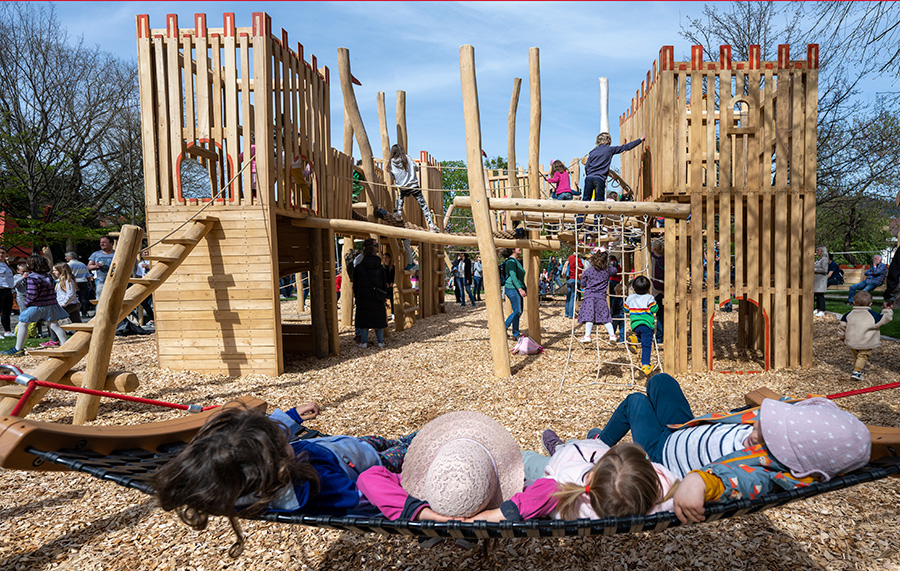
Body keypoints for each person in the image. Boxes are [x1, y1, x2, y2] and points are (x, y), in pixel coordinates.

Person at [587, 373, 871, 524]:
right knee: (661, 381)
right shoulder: (785, 430)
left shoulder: (764, 471)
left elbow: (738, 482)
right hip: (683, 428)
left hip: (661, 453)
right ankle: (606, 437)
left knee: (635, 401)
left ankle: (598, 444)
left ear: (787, 455)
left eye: (764, 434)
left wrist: (699, 481)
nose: (755, 427)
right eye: (763, 422)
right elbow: (798, 409)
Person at [153, 402, 416, 557]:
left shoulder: (239, 470)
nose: (286, 437)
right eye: (282, 442)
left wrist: (291, 416)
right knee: (412, 446)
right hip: (374, 464)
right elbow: (363, 499)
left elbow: (252, 437)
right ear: (275, 463)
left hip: (348, 447)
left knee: (388, 440)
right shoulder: (320, 486)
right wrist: (412, 507)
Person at [357, 412, 676, 524]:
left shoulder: (559, 489)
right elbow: (526, 502)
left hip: (563, 461)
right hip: (567, 463)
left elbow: (369, 478)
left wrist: (430, 515)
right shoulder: (646, 498)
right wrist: (486, 516)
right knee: (552, 451)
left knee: (534, 457)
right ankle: (566, 444)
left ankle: (562, 445)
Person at [2, 255, 69, 356]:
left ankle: (18, 349)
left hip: (37, 305)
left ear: (32, 265)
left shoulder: (31, 277)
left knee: (22, 323)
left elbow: (32, 293)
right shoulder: (48, 276)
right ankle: (66, 345)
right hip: (50, 304)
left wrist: (27, 303)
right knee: (54, 324)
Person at [577, 132, 645, 230]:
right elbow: (625, 147)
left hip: (589, 178)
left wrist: (589, 174)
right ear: (608, 141)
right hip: (599, 179)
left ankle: (579, 223)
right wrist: (640, 140)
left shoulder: (592, 152)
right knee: (599, 202)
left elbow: (587, 166)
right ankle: (597, 225)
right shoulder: (609, 150)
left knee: (585, 201)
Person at [839, 290, 893, 381]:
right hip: (866, 342)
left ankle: (858, 369)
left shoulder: (848, 315)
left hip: (852, 341)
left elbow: (842, 327)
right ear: (870, 304)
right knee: (863, 355)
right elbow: (886, 318)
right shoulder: (873, 315)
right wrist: (887, 310)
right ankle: (857, 372)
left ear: (854, 303)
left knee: (857, 356)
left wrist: (842, 337)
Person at [388, 144, 439, 233]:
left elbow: (392, 177)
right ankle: (431, 225)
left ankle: (399, 213)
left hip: (403, 187)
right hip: (413, 186)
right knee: (424, 206)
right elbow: (416, 168)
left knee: (401, 197)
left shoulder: (391, 163)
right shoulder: (407, 158)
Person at [353, 240, 388, 348]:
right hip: (377, 296)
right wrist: (384, 296)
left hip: (363, 296)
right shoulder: (380, 267)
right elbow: (383, 283)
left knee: (364, 320)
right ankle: (380, 342)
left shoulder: (359, 267)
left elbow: (355, 285)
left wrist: (357, 296)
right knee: (378, 319)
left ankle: (363, 342)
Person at [577, 249, 618, 343]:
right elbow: (615, 270)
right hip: (601, 297)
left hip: (589, 297)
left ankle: (587, 335)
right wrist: (610, 264)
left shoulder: (588, 271)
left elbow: (583, 284)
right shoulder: (607, 271)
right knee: (605, 317)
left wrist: (582, 278)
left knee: (589, 316)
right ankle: (612, 335)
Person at [625, 275, 658, 375]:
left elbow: (625, 309)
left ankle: (635, 339)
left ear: (634, 288)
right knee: (646, 344)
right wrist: (656, 305)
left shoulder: (630, 297)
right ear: (648, 289)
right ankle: (645, 364)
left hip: (635, 325)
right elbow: (654, 309)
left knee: (643, 338)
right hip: (646, 325)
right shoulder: (649, 298)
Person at [43, 262, 81, 347]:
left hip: (70, 304)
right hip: (71, 304)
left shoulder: (68, 281)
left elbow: (70, 294)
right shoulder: (61, 281)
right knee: (77, 322)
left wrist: (63, 304)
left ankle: (54, 340)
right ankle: (82, 338)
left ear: (61, 271)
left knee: (52, 318)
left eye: (55, 270)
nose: (53, 272)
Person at [502, 248, 526, 340]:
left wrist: (524, 288)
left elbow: (520, 278)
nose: (520, 248)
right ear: (513, 250)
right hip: (512, 288)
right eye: (517, 247)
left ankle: (515, 334)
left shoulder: (516, 261)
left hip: (516, 288)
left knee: (519, 311)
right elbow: (513, 276)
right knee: (517, 311)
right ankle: (503, 329)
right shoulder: (511, 262)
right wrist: (520, 289)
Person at [87, 235, 116, 300]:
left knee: (114, 299)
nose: (102, 244)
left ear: (111, 243)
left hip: (114, 282)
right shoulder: (96, 254)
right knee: (100, 299)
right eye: (101, 242)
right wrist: (95, 266)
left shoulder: (117, 254)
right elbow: (89, 267)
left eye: (104, 242)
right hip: (100, 282)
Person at [65, 252, 93, 318]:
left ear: (70, 257)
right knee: (83, 298)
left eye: (66, 256)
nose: (65, 258)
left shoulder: (68, 265)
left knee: (73, 299)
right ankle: (84, 313)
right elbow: (88, 276)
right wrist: (90, 284)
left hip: (74, 282)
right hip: (83, 282)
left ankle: (74, 313)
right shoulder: (82, 264)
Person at [649, 238, 665, 343]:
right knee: (661, 314)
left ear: (654, 248)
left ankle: (655, 335)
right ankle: (661, 335)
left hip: (655, 289)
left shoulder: (652, 258)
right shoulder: (664, 259)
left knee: (651, 313)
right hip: (664, 288)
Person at [562, 251, 584, 319]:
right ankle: (571, 314)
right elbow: (580, 271)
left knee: (568, 296)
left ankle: (567, 312)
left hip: (569, 279)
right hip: (575, 279)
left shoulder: (570, 258)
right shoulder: (579, 260)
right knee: (573, 297)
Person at [0, 247, 14, 338]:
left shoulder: (6, 264)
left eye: (3, 253)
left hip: (8, 290)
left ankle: (7, 331)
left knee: (6, 312)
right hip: (0, 289)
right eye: (0, 253)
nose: (1, 255)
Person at [813, 246, 829, 317]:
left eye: (818, 250)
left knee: (820, 295)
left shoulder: (824, 259)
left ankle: (822, 310)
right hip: (817, 281)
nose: (816, 252)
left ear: (822, 251)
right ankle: (817, 308)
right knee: (817, 295)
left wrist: (814, 269)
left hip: (821, 281)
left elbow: (824, 270)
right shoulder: (819, 259)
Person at [382, 251, 395, 319]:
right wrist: (385, 283)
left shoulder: (393, 267)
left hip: (391, 286)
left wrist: (392, 282)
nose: (385, 259)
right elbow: (381, 277)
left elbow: (394, 276)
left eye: (386, 258)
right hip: (384, 286)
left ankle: (393, 313)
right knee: (383, 300)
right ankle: (383, 314)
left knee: (393, 300)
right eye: (384, 258)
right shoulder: (382, 268)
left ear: (389, 259)